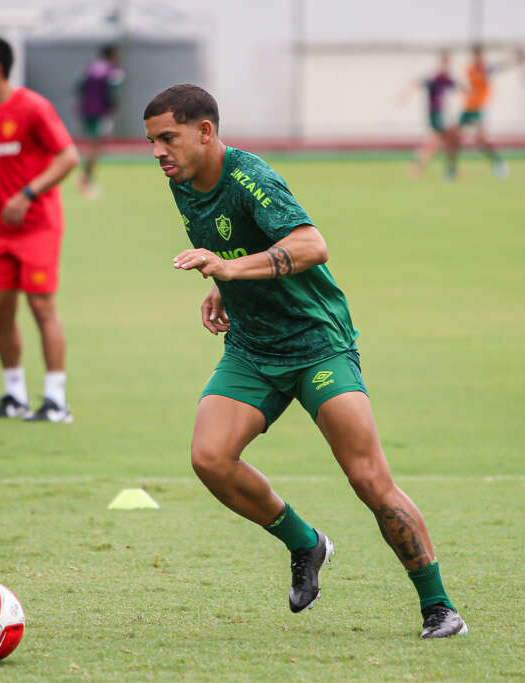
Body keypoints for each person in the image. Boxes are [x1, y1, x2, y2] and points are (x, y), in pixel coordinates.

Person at [143, 83, 467, 639]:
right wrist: (228, 284)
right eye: (152, 141)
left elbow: (312, 244)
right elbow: (237, 246)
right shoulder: (184, 181)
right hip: (253, 346)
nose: (157, 152)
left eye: (167, 138)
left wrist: (228, 270)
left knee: (368, 479)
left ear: (205, 132)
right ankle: (306, 543)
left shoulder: (250, 176)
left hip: (317, 343)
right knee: (210, 457)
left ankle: (439, 607)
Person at [0, 36, 80, 423]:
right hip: (0, 230)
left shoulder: (32, 106)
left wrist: (26, 194)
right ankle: (14, 395)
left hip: (38, 227)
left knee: (41, 307)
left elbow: (68, 157)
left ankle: (55, 400)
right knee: (0, 309)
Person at [446, 44, 525, 179]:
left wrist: (516, 60)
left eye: (480, 56)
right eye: (476, 56)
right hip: (467, 108)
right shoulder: (470, 69)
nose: (479, 58)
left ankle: (498, 163)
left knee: (480, 140)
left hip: (479, 109)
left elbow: (502, 66)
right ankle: (452, 170)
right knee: (454, 139)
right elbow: (467, 86)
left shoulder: (486, 69)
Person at [398, 51, 458, 179]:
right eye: (446, 62)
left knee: (438, 143)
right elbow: (415, 82)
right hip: (436, 115)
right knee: (445, 141)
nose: (447, 66)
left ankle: (420, 167)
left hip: (440, 115)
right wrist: (404, 94)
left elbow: (458, 87)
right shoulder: (435, 78)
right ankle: (447, 171)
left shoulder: (445, 78)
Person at [76, 44, 123, 198]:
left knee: (91, 146)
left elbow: (79, 88)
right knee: (94, 148)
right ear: (113, 54)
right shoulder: (112, 70)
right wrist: (113, 109)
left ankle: (85, 180)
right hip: (100, 112)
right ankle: (86, 182)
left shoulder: (90, 67)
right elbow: (110, 92)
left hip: (86, 111)